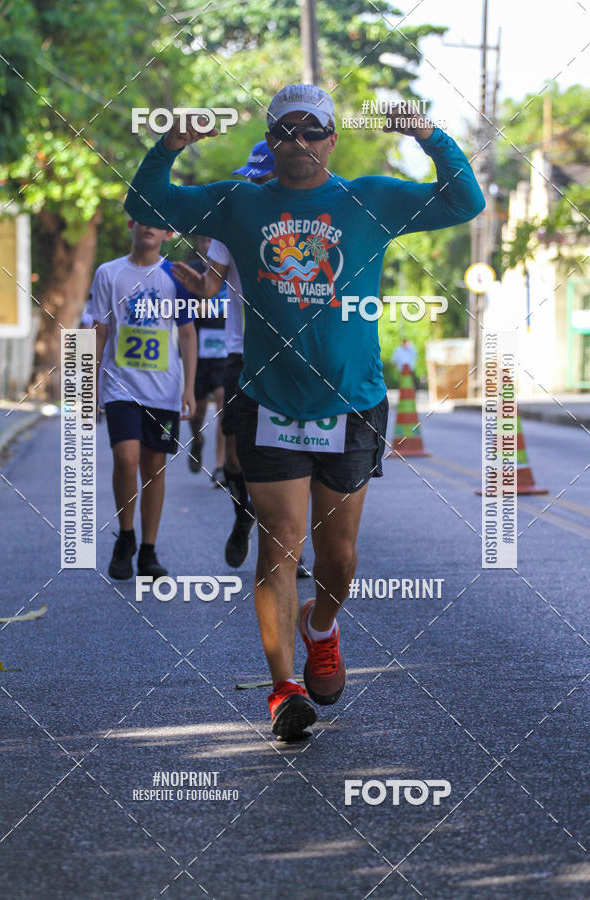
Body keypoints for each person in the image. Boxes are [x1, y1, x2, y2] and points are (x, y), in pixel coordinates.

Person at [125, 83, 485, 739]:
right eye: (286, 130)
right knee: (280, 545)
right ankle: (283, 689)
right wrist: (170, 144)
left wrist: (428, 135)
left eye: (312, 129)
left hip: (352, 403)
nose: (299, 141)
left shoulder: (368, 199)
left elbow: (466, 201)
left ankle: (322, 627)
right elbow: (146, 204)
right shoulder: (240, 203)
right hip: (268, 401)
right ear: (270, 141)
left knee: (338, 557)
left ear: (331, 140)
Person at [172, 141, 311, 577]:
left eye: (261, 177)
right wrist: (198, 285)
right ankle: (242, 513)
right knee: (234, 455)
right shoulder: (232, 223)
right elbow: (212, 287)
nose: (254, 184)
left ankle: (291, 549)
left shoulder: (304, 228)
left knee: (293, 454)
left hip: (291, 355)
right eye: (250, 177)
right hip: (241, 351)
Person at [91, 219, 197, 580]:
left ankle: (148, 551)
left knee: (154, 467)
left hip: (163, 389)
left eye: (158, 222)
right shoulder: (108, 273)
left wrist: (189, 388)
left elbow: (187, 334)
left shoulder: (175, 275)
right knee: (126, 457)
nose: (149, 227)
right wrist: (89, 384)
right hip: (120, 385)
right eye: (143, 219)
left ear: (169, 233)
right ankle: (126, 536)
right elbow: (99, 331)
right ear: (130, 224)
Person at [184, 235, 228, 487]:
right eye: (204, 241)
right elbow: (180, 311)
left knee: (223, 401)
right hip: (198, 351)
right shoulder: (192, 272)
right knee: (198, 410)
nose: (208, 245)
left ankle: (220, 465)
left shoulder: (231, 272)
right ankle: (197, 439)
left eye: (213, 241)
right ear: (198, 243)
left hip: (224, 350)